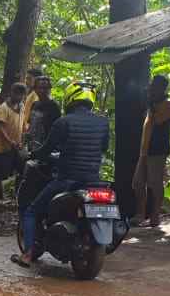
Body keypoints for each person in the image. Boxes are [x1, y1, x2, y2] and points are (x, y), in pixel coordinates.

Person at [13, 85, 110, 268]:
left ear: (70, 99)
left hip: (66, 181)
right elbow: (103, 148)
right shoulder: (103, 122)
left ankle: (27, 254)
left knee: (31, 210)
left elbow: (46, 151)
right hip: (94, 182)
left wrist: (32, 154)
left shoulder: (64, 122)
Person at [133, 74, 170, 228]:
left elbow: (157, 120)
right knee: (137, 183)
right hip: (145, 151)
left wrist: (151, 104)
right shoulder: (152, 105)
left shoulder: (168, 104)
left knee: (155, 183)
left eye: (153, 86)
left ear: (162, 88)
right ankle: (140, 214)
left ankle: (155, 216)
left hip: (158, 150)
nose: (150, 88)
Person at [0, 83, 27, 204]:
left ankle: (8, 197)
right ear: (11, 93)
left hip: (15, 146)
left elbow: (22, 124)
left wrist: (22, 137)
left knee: (18, 170)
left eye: (21, 94)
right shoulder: (3, 108)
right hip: (1, 147)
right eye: (16, 93)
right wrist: (10, 141)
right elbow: (0, 127)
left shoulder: (22, 106)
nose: (18, 96)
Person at [21, 74, 61, 153]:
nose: (42, 90)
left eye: (46, 88)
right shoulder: (35, 104)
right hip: (32, 147)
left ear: (50, 89)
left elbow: (57, 130)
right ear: (35, 89)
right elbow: (31, 125)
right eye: (40, 88)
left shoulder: (54, 106)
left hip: (45, 149)